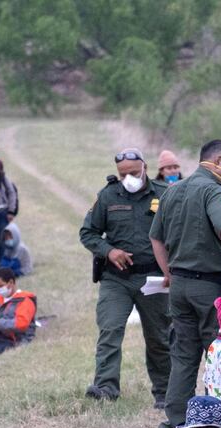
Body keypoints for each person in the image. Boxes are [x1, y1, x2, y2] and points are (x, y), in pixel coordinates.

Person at [150, 139, 221, 428]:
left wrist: (168, 272)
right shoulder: (213, 191)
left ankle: (175, 425)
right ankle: (215, 425)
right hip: (209, 288)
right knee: (219, 355)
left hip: (179, 287)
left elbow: (155, 238)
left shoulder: (172, 191)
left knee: (183, 356)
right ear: (220, 159)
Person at [80, 148, 171, 407]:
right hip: (116, 278)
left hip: (153, 278)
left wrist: (171, 269)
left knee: (159, 337)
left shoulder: (164, 194)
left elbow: (177, 232)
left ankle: (164, 392)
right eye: (123, 174)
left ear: (144, 167)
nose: (128, 178)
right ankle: (106, 387)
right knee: (110, 329)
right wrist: (109, 251)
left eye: (133, 172)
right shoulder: (108, 195)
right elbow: (88, 233)